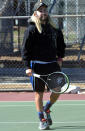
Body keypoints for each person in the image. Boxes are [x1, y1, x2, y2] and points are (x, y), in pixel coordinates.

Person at [22, 0, 66, 130]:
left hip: (52, 65)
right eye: (41, 10)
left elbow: (61, 44)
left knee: (57, 90)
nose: (44, 12)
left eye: (45, 10)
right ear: (35, 13)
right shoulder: (31, 29)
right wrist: (27, 67)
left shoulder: (54, 29)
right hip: (37, 66)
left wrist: (60, 58)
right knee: (39, 94)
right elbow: (25, 49)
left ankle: (47, 108)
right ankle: (41, 119)